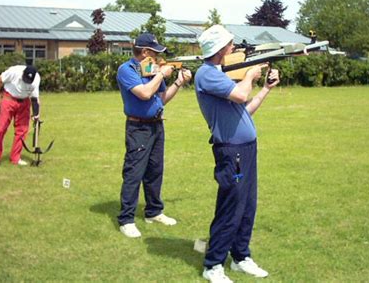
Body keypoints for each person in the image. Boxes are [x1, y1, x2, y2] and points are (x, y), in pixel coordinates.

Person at [194, 25, 280, 282]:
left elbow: (245, 110)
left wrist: (265, 88)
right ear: (220, 49)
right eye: (229, 44)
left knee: (247, 207)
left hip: (245, 150)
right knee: (231, 208)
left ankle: (241, 257)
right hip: (232, 153)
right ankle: (213, 265)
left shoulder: (220, 76)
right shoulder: (207, 74)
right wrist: (251, 75)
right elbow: (242, 94)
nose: (233, 48)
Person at [116, 32, 192, 238]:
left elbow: (160, 98)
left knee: (155, 171)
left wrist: (178, 82)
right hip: (138, 128)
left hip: (156, 125)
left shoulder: (152, 70)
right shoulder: (127, 69)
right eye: (156, 53)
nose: (159, 57)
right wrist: (161, 74)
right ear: (145, 52)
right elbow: (144, 93)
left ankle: (154, 211)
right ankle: (126, 219)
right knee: (134, 172)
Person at [0, 65, 40, 167]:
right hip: (9, 99)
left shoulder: (36, 79)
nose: (26, 82)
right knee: (2, 128)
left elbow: (35, 98)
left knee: (22, 130)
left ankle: (15, 157)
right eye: (25, 79)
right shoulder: (14, 71)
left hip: (25, 102)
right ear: (22, 74)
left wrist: (36, 114)